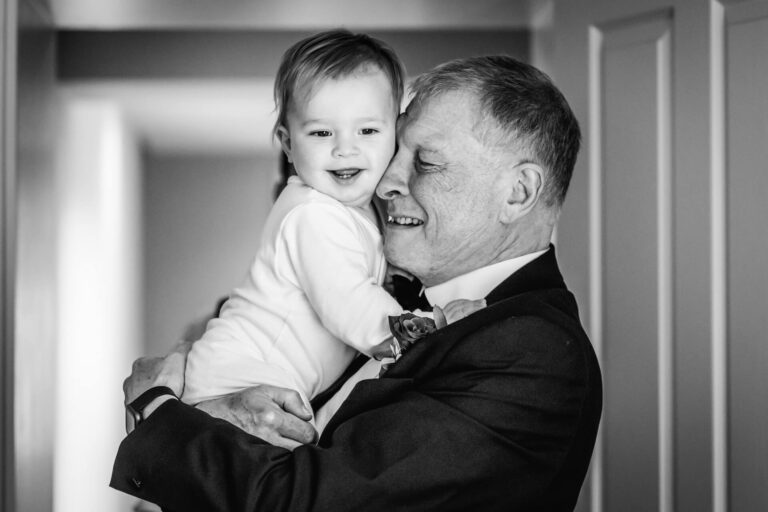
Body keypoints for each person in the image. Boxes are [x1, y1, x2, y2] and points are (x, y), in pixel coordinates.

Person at [112, 55, 603, 511]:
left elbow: (311, 501)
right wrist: (219, 411)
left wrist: (159, 411)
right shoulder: (388, 296)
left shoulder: (534, 350)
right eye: (394, 152)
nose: (385, 183)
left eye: (426, 162)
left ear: (518, 192)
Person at [180, 29, 480, 431]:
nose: (345, 148)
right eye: (322, 133)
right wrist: (430, 327)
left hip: (269, 385)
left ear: (395, 134)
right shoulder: (312, 215)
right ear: (288, 144)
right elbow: (351, 305)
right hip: (235, 380)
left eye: (367, 131)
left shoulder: (357, 210)